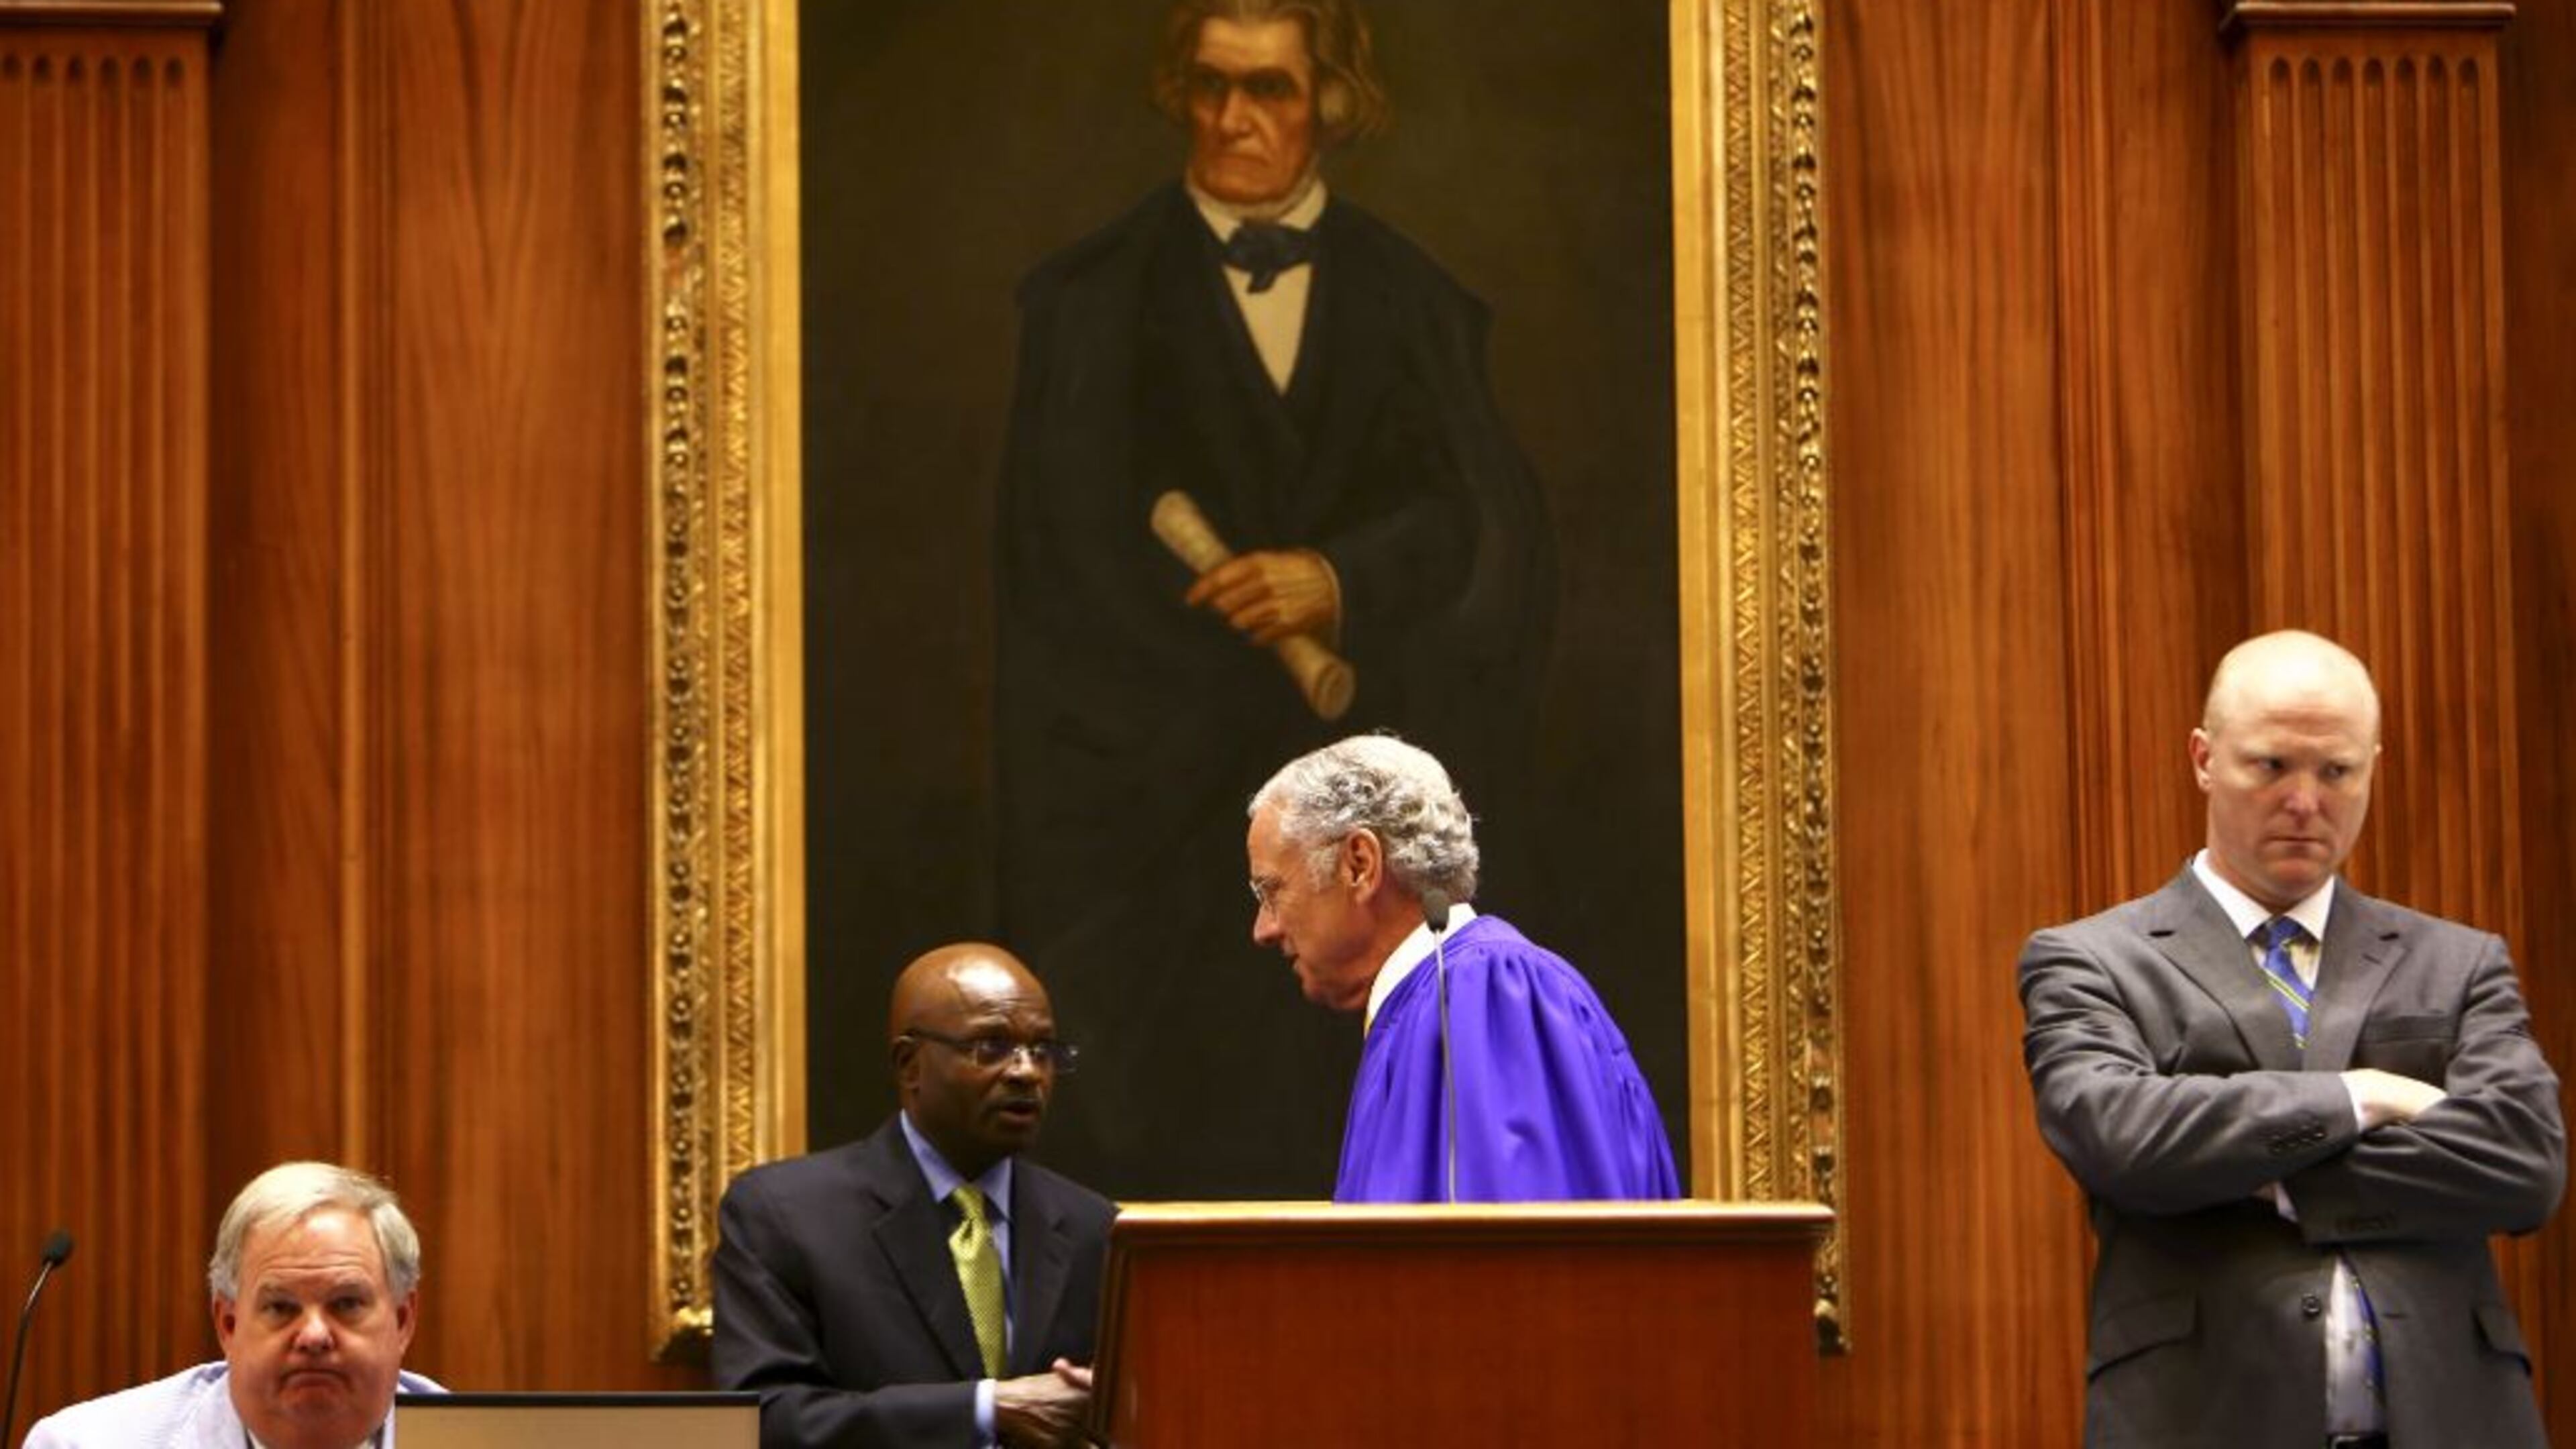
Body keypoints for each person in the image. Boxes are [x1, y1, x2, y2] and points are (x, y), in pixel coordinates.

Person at [994, 0, 1554, 1196]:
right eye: (1210, 87)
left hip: (1365, 875)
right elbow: (1052, 571)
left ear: (1335, 104)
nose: (1234, 119)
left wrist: (1340, 583)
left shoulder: (1420, 303)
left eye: (1272, 91)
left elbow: (1486, 538)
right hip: (1151, 843)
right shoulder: (1083, 302)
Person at [2019, 629, 2565, 1448]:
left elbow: (2525, 1165)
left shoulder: (2459, 961)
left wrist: (2261, 1171)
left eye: (2337, 771)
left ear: (2372, 767)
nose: (2307, 801)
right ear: (2205, 758)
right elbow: (2122, 1137)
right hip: (2200, 1420)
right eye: (2272, 766)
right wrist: (2368, 1096)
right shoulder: (2092, 960)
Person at [712, 943, 1114, 1449]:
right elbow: (764, 1420)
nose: (1027, 1072)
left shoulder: (1092, 1228)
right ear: (910, 1065)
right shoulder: (785, 1216)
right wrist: (985, 1409)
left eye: (1043, 1050)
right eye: (991, 1047)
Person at [1244, 735, 1678, 1201]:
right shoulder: (1427, 1007)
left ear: (1359, 865)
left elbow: (1525, 1266)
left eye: (1271, 891)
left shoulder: (1492, 995)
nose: (1263, 929)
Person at [24, 1161, 439, 1449]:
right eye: (281, 1307)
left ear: (403, 1321)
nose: (314, 1335)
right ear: (228, 1325)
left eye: (346, 1304)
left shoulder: (487, 1440)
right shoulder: (82, 1445)